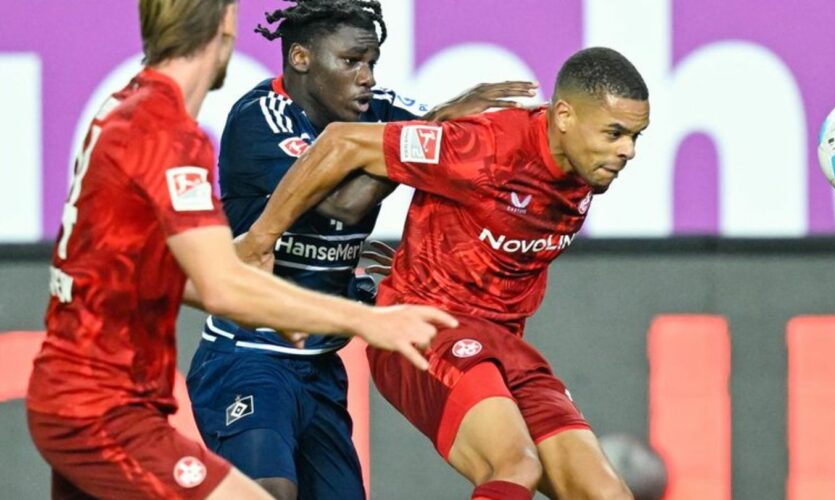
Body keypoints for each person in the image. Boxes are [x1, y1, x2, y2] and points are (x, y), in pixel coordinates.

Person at [25, 1, 457, 498]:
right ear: (224, 26)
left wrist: (277, 283)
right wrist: (368, 320)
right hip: (101, 406)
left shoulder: (122, 107)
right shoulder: (167, 132)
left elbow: (173, 274)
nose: (364, 77)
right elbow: (223, 287)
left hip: (89, 393)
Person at [237, 46, 651, 500]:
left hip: (504, 342)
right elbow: (341, 142)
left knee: (608, 495)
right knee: (514, 465)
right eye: (614, 133)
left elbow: (487, 233)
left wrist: (420, 255)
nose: (627, 151)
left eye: (635, 136)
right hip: (425, 330)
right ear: (566, 116)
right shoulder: (485, 147)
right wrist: (259, 239)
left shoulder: (585, 167)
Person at [185, 1, 538, 498]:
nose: (367, 77)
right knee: (269, 494)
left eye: (371, 62)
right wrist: (430, 128)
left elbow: (451, 143)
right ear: (302, 58)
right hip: (247, 355)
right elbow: (338, 205)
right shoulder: (259, 117)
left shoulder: (379, 108)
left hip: (322, 365)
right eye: (351, 62)